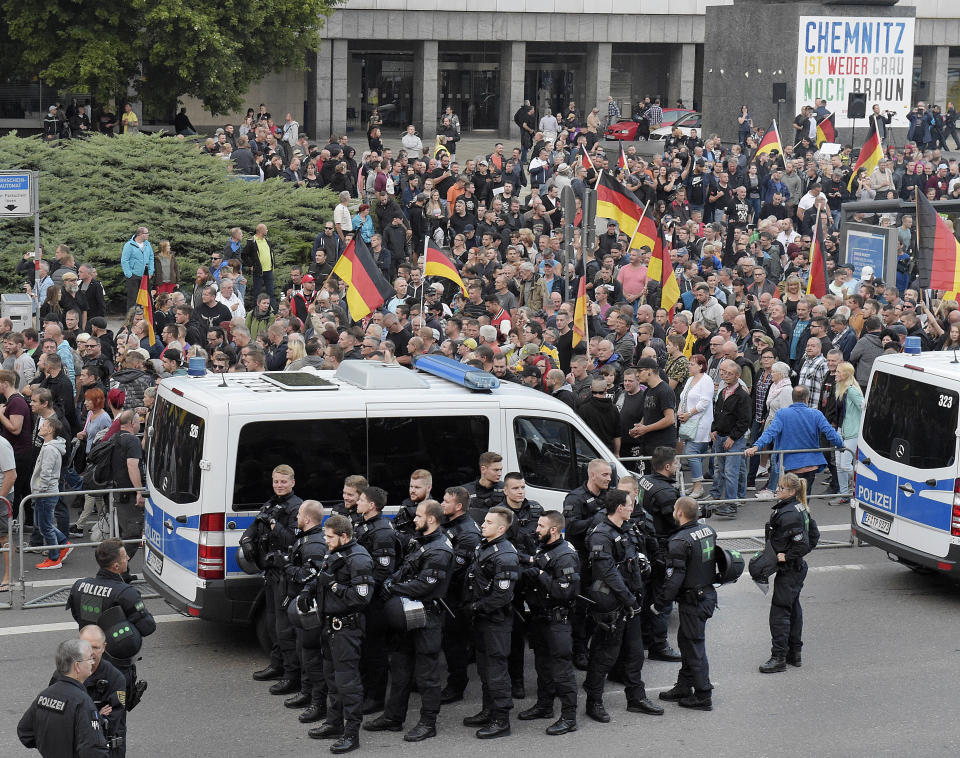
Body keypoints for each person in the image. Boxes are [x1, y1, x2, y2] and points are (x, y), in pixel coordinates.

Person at [364, 498, 454, 742]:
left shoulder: (440, 550)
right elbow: (404, 569)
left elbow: (424, 585)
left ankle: (428, 722)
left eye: (419, 516)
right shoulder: (422, 542)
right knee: (401, 668)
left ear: (432, 519)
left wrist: (394, 588)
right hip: (407, 614)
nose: (414, 519)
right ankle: (393, 718)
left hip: (427, 617)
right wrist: (393, 581)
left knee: (427, 673)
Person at [583, 488, 662, 723]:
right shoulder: (601, 535)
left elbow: (630, 561)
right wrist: (628, 600)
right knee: (605, 655)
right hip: (613, 605)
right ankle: (593, 701)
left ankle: (636, 698)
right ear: (619, 508)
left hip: (632, 601)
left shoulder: (627, 528)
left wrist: (643, 566)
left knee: (635, 654)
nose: (632, 507)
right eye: (629, 504)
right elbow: (607, 573)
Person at [302, 514, 375, 754]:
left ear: (343, 536)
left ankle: (351, 734)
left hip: (347, 629)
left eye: (329, 537)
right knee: (332, 680)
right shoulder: (335, 552)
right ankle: (334, 724)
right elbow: (322, 575)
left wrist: (333, 585)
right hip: (328, 626)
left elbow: (361, 598)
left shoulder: (359, 559)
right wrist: (308, 590)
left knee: (348, 683)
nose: (325, 540)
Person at [66, 539, 156, 710]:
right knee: (115, 719)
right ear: (115, 566)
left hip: (85, 663)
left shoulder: (79, 586)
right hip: (116, 667)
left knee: (86, 713)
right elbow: (148, 627)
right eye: (124, 556)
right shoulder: (126, 593)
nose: (128, 558)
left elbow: (78, 617)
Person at [517, 509, 580, 736]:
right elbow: (536, 561)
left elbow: (563, 592)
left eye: (541, 527)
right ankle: (544, 706)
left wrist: (540, 574)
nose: (536, 530)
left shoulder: (565, 556)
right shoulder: (546, 547)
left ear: (553, 530)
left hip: (557, 621)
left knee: (561, 670)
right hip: (539, 618)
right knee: (542, 666)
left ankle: (569, 717)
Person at [655, 496, 719, 711]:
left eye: (674, 509)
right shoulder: (708, 530)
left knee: (693, 646)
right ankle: (684, 686)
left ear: (680, 513)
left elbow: (675, 578)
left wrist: (660, 603)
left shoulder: (679, 541)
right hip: (706, 595)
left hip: (693, 600)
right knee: (686, 641)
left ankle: (703, 695)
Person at [462, 505, 520, 740]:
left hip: (496, 621)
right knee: (485, 669)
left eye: (488, 522)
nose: (483, 525)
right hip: (483, 620)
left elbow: (502, 595)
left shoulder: (505, 554)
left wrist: (476, 607)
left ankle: (501, 719)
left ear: (501, 528)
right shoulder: (485, 547)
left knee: (496, 671)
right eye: (484, 521)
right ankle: (488, 710)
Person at [250, 465, 304, 689]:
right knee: (272, 624)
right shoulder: (272, 503)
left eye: (283, 482)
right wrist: (247, 540)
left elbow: (292, 540)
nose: (279, 485)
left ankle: (292, 676)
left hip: (287, 575)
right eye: (276, 481)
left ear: (292, 482)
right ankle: (277, 664)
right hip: (271, 572)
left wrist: (273, 524)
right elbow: (255, 527)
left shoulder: (296, 507)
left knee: (284, 628)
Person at [758, 473, 817, 673]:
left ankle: (779, 657)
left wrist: (787, 556)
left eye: (781, 488)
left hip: (791, 570)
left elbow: (804, 543)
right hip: (795, 569)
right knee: (793, 609)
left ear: (792, 491)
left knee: (779, 613)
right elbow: (815, 536)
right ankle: (794, 654)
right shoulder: (799, 507)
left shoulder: (790, 513)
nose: (777, 490)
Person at [281, 500, 329, 725]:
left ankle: (318, 703)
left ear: (308, 519)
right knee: (303, 652)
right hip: (300, 606)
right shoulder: (305, 539)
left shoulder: (314, 545)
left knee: (312, 657)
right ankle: (306, 692)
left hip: (310, 609)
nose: (296, 517)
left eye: (299, 514)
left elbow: (308, 576)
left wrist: (286, 566)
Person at [17, 638, 108, 757]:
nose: (93, 662)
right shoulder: (82, 702)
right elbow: (94, 751)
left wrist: (52, 747)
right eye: (90, 658)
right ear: (77, 666)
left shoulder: (44, 695)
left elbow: (25, 733)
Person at [745, 385, 843, 494]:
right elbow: (830, 433)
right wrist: (840, 445)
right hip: (810, 464)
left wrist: (756, 446)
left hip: (790, 465)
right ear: (806, 399)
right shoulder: (816, 414)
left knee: (791, 500)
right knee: (804, 500)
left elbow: (769, 433)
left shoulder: (782, 414)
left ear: (792, 398)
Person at [353, 485, 400, 715]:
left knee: (375, 651)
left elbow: (383, 571)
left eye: (361, 499)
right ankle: (363, 691)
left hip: (374, 600)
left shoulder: (382, 531)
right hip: (364, 598)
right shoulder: (363, 524)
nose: (357, 502)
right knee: (364, 648)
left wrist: (363, 592)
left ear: (372, 505)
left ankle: (376, 697)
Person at [562, 458, 612, 667]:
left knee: (601, 603)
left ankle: (595, 646)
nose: (609, 478)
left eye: (610, 475)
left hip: (602, 559)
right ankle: (579, 649)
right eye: (604, 475)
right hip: (581, 560)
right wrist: (596, 518)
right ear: (592, 475)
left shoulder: (609, 495)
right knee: (580, 608)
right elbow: (572, 528)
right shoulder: (575, 498)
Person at [635, 447, 683, 662]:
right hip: (662, 547)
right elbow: (677, 520)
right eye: (675, 463)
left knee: (649, 596)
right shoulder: (665, 492)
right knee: (662, 599)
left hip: (650, 543)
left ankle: (646, 637)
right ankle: (659, 645)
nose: (677, 466)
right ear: (666, 466)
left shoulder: (645, 479)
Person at [439, 486, 481, 704]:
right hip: (448, 594)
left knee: (455, 642)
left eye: (446, 501)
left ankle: (457, 685)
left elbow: (453, 569)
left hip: (458, 596)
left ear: (458, 506)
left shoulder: (468, 533)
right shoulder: (449, 523)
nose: (442, 504)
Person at [709, 359, 752, 515]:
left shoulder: (742, 395)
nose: (725, 375)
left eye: (729, 373)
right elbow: (718, 413)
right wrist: (714, 429)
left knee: (730, 471)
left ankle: (731, 503)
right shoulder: (723, 392)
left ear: (738, 375)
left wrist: (733, 437)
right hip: (719, 436)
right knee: (720, 470)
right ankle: (719, 499)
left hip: (733, 439)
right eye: (723, 372)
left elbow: (745, 420)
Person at [78, 625, 128, 757]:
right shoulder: (66, 673)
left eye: (96, 647)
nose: (91, 652)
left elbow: (110, 723)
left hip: (106, 750)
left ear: (104, 647)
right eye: (86, 646)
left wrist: (79, 719)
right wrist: (96, 716)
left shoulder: (115, 679)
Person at [108, 411, 146, 568]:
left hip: (118, 491)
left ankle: (124, 572)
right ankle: (117, 569)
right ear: (132, 423)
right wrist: (139, 491)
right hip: (129, 495)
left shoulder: (115, 437)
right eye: (138, 422)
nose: (139, 425)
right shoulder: (131, 440)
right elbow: (132, 466)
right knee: (133, 535)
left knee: (125, 534)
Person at [31, 415, 68, 569]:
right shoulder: (50, 447)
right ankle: (63, 543)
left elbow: (46, 474)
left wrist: (40, 491)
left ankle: (54, 558)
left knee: (45, 526)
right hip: (45, 492)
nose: (41, 427)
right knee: (42, 524)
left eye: (44, 425)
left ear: (51, 430)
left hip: (45, 493)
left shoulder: (50, 449)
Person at [676, 354, 714, 499]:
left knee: (692, 453)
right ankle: (696, 482)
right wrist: (680, 411)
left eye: (692, 364)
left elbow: (704, 402)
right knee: (694, 453)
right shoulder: (690, 379)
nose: (689, 366)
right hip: (688, 421)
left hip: (700, 422)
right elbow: (683, 397)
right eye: (689, 363)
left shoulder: (706, 380)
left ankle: (698, 486)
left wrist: (689, 414)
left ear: (701, 366)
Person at [832, 361, 863, 506]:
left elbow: (863, 407)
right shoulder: (840, 388)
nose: (835, 374)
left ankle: (863, 481)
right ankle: (844, 494)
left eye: (838, 371)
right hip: (841, 430)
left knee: (845, 465)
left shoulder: (851, 390)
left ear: (846, 374)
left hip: (851, 432)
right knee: (839, 464)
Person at [120, 227, 153, 311]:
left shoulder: (147, 244)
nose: (148, 235)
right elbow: (124, 260)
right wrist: (129, 274)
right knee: (133, 299)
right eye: (146, 233)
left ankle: (146, 319)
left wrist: (151, 271)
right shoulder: (129, 245)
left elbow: (151, 257)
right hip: (134, 276)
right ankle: (130, 320)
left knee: (146, 298)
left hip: (145, 276)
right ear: (140, 234)